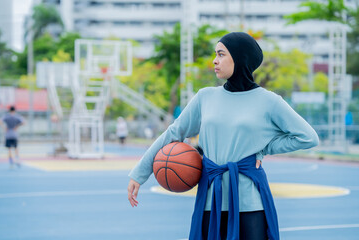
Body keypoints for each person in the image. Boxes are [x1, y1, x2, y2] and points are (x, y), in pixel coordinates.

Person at [127, 32, 319, 240]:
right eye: (215, 54)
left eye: (221, 54)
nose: (214, 61)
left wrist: (264, 148)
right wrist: (140, 173)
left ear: (240, 58)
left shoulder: (269, 101)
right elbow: (173, 133)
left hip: (250, 202)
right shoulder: (205, 97)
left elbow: (308, 137)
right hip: (212, 198)